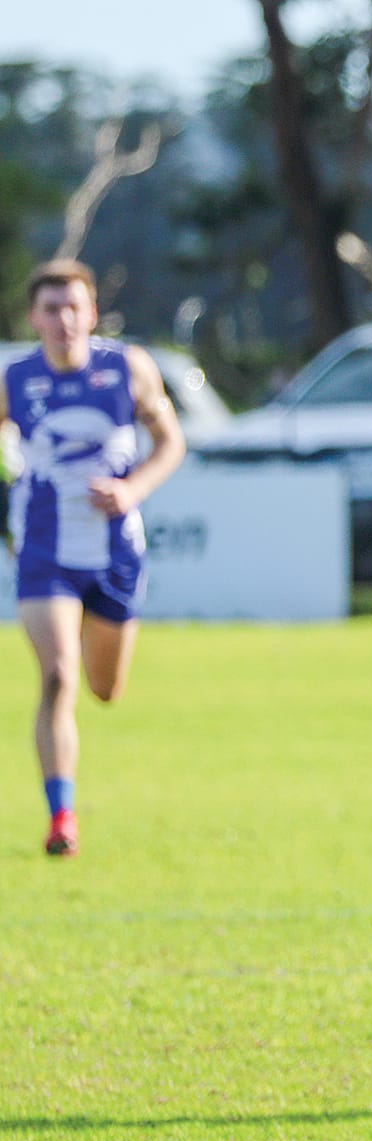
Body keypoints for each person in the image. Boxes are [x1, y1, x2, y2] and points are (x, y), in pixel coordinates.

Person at [1, 259, 186, 857]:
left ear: (91, 313)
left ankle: (92, 635)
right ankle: (62, 818)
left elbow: (171, 442)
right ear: (34, 318)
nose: (63, 320)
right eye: (51, 309)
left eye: (73, 307)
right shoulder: (14, 378)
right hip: (44, 553)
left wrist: (132, 490)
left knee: (104, 690)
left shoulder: (127, 369)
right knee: (58, 677)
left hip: (113, 553)